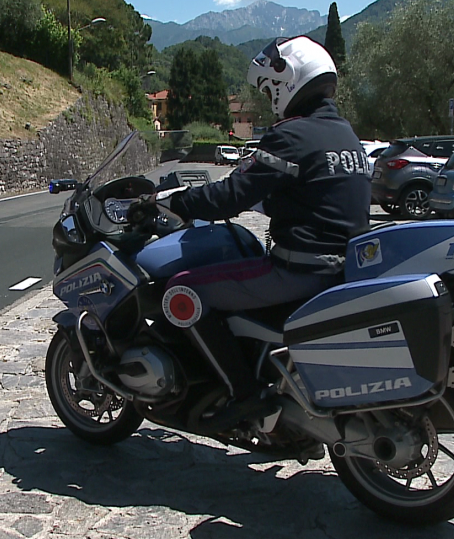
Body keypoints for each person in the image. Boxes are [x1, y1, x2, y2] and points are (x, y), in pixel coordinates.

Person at [129, 36, 371, 405]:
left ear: (287, 79)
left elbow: (230, 196)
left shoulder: (293, 134)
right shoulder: (345, 135)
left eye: (269, 87)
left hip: (299, 271)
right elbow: (306, 195)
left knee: (182, 290)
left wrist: (176, 202)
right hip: (342, 266)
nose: (270, 98)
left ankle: (243, 393)